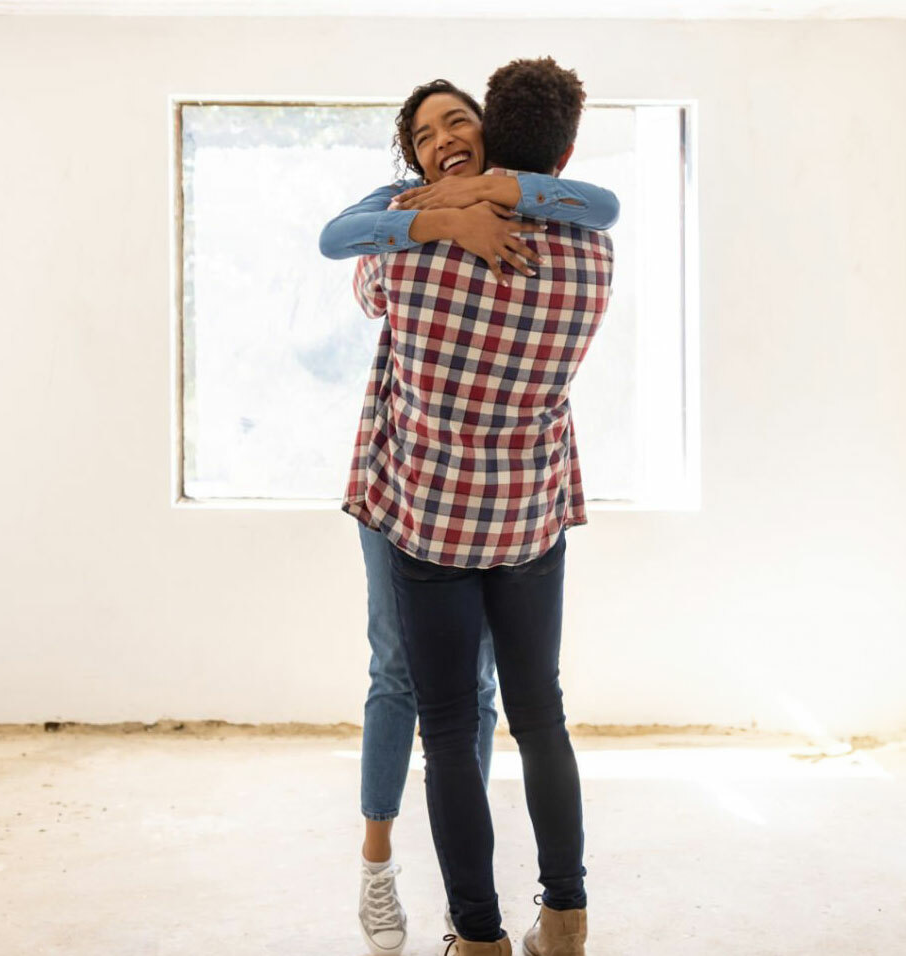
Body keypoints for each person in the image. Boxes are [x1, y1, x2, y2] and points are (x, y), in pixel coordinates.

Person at [318, 78, 618, 956]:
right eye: (424, 132)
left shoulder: (402, 253)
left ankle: (477, 938)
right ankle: (562, 916)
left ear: (492, 134)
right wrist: (460, 209)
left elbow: (360, 275)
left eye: (459, 121)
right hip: (525, 518)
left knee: (450, 727)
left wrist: (450, 212)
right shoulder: (593, 255)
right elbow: (602, 206)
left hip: (431, 517)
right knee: (532, 714)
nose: (442, 137)